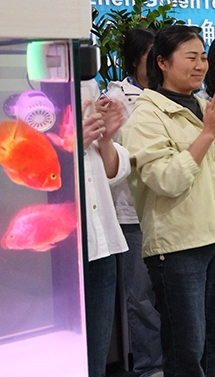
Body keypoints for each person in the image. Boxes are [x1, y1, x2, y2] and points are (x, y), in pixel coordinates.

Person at [121, 25, 215, 377]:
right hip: (179, 245)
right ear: (162, 62)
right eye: (191, 57)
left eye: (204, 57)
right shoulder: (146, 116)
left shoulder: (204, 107)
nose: (200, 65)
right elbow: (166, 179)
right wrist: (209, 132)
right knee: (187, 348)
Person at [105, 27, 164, 377]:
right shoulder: (116, 98)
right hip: (131, 213)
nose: (156, 63)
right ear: (132, 61)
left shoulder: (168, 93)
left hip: (167, 209)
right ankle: (150, 366)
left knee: (169, 294)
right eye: (149, 56)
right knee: (141, 296)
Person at [81, 80, 130, 377]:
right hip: (59, 248)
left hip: (101, 240)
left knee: (96, 361)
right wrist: (71, 144)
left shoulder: (87, 80)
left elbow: (112, 174)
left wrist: (106, 138)